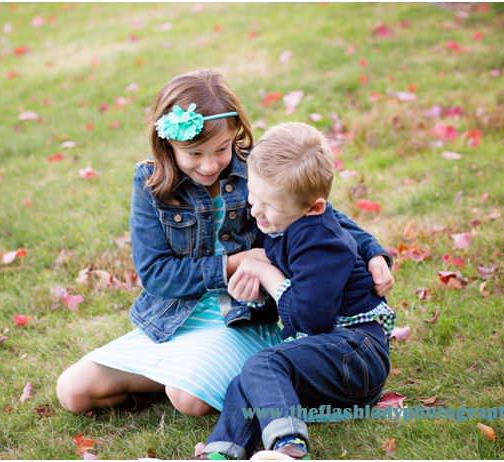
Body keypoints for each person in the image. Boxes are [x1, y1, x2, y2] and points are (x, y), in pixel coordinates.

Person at [55, 70, 394, 417]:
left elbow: (321, 212)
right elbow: (156, 275)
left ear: (236, 133)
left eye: (221, 148)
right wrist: (236, 262)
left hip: (240, 319)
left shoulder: (253, 167)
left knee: (187, 398)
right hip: (173, 319)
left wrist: (372, 252)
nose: (210, 164)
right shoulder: (150, 183)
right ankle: (178, 370)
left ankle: (197, 375)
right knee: (73, 392)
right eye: (194, 152)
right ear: (168, 145)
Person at [197, 122, 396, 460]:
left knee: (264, 364)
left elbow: (309, 319)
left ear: (313, 207)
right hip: (330, 356)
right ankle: (220, 453)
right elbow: (343, 223)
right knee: (244, 382)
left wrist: (266, 272)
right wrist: (373, 249)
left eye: (268, 205)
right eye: (252, 197)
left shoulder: (322, 244)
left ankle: (288, 447)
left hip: (357, 354)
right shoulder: (290, 217)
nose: (255, 211)